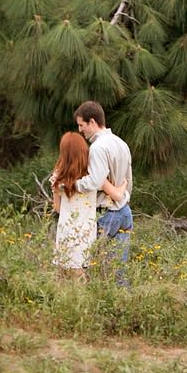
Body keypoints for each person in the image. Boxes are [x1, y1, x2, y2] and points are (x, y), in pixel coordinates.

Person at [73, 101, 133, 285]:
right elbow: (128, 179)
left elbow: (95, 181)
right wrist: (122, 195)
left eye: (81, 125)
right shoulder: (121, 143)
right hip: (124, 212)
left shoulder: (98, 148)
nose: (81, 131)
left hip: (107, 213)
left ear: (92, 122)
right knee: (118, 271)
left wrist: (71, 184)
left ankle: (91, 308)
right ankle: (124, 306)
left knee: (86, 264)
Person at [51, 131, 127, 279]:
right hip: (84, 233)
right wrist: (124, 184)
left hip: (65, 231)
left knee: (62, 276)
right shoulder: (93, 178)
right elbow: (117, 195)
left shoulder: (58, 177)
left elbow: (57, 208)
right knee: (80, 276)